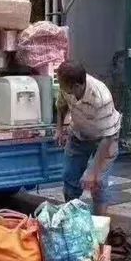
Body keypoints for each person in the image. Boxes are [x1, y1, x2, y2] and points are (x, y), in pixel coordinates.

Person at [54, 60, 121, 216]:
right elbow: (61, 105)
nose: (62, 89)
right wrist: (59, 129)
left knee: (98, 183)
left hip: (104, 139)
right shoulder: (66, 87)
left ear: (77, 86)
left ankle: (100, 224)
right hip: (79, 134)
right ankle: (72, 219)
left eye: (64, 86)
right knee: (70, 177)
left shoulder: (101, 97)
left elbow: (108, 137)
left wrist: (92, 172)